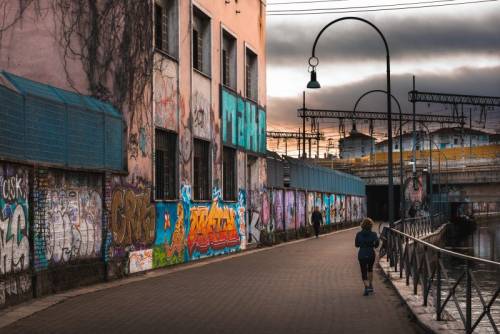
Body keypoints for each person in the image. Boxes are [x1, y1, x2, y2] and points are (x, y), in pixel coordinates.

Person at [355, 218, 379, 296]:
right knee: (370, 269)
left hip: (362, 254)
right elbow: (376, 244)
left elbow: (356, 245)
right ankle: (371, 285)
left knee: (363, 271)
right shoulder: (374, 234)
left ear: (362, 225)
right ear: (371, 225)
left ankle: (366, 287)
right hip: (371, 253)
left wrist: (362, 244)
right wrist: (373, 244)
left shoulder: (358, 234)